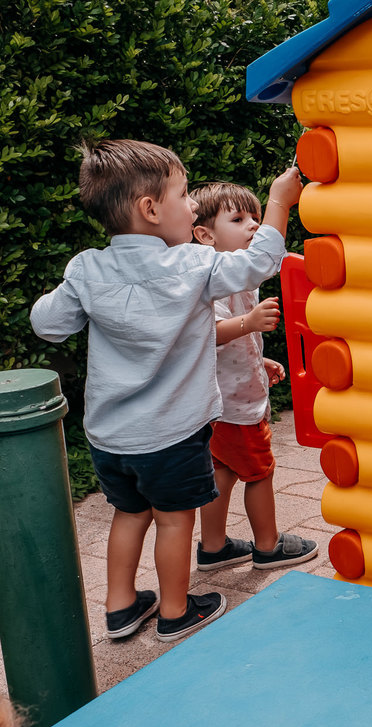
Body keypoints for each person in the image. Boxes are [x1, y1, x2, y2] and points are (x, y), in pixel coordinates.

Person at [30, 140, 302, 642]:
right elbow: (260, 262)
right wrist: (280, 201)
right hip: (172, 435)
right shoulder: (193, 265)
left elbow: (47, 324)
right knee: (174, 522)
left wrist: (79, 288)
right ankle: (177, 611)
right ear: (151, 209)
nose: (193, 204)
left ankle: (121, 607)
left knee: (129, 514)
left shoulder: (87, 268)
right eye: (183, 194)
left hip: (111, 438)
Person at [192, 182, 318, 571]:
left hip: (219, 402)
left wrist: (257, 360)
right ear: (205, 235)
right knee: (260, 473)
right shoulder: (209, 282)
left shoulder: (236, 278)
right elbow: (207, 334)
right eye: (238, 219)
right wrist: (248, 324)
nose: (251, 226)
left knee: (222, 472)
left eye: (255, 219)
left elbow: (224, 346)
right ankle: (268, 545)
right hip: (235, 407)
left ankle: (213, 548)